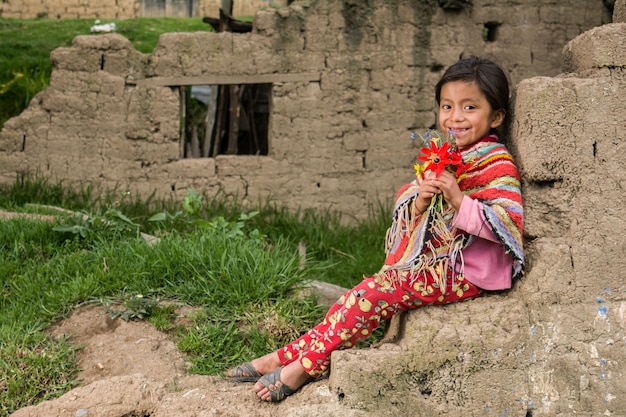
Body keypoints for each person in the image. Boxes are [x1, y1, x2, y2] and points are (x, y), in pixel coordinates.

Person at [226, 55, 525, 402]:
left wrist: (458, 199)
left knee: (374, 296)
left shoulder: (496, 161)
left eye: (469, 107)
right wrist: (420, 201)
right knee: (355, 296)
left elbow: (506, 222)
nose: (455, 118)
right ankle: (279, 357)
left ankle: (300, 369)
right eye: (447, 106)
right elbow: (414, 214)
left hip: (470, 270)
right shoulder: (445, 154)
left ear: (497, 116)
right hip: (440, 261)